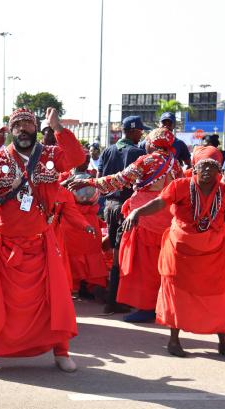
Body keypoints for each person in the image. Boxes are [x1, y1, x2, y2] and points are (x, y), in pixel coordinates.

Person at [0, 107, 86, 377]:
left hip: (40, 243)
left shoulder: (50, 155)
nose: (23, 129)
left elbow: (76, 157)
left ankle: (61, 351)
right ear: (10, 130)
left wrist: (57, 128)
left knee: (54, 299)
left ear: (36, 128)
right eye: (18, 125)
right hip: (1, 243)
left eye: (28, 124)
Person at [123, 145, 225, 359]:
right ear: (194, 167)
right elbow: (158, 203)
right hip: (180, 252)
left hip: (213, 255)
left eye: (213, 166)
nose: (208, 171)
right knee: (178, 297)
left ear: (220, 169)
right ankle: (174, 340)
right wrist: (137, 211)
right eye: (204, 166)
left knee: (218, 298)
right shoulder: (180, 186)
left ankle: (223, 341)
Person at [71, 128, 183, 322]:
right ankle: (161, 304)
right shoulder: (175, 163)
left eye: (147, 141)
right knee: (162, 264)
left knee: (143, 266)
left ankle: (147, 307)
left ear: (152, 143)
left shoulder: (147, 160)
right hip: (166, 219)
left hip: (144, 219)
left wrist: (88, 182)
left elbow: (118, 180)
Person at [96, 115, 147, 314]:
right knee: (121, 251)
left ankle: (111, 294)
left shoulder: (108, 150)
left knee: (116, 249)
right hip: (127, 206)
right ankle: (114, 299)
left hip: (109, 204)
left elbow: (100, 179)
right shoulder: (137, 152)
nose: (141, 133)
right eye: (140, 131)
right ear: (133, 131)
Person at [60, 155, 107, 296]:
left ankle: (90, 285)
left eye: (87, 160)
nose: (86, 162)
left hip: (90, 219)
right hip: (71, 221)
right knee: (73, 254)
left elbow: (102, 191)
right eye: (83, 159)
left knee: (92, 252)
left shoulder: (92, 176)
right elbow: (54, 192)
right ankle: (76, 285)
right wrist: (66, 184)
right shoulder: (64, 176)